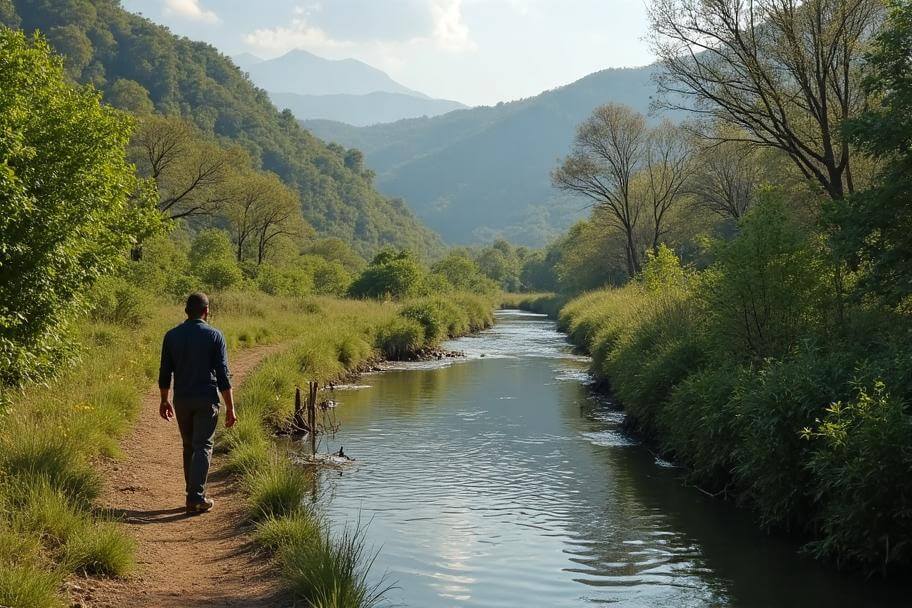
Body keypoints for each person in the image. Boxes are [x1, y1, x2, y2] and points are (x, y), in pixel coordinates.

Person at [158, 293, 238, 514]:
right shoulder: (215, 335)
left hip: (182, 399)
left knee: (189, 446)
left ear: (186, 311)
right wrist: (230, 407)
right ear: (207, 311)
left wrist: (164, 400)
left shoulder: (171, 336)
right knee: (203, 446)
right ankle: (196, 497)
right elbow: (223, 375)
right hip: (207, 399)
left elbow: (165, 373)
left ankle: (191, 494)